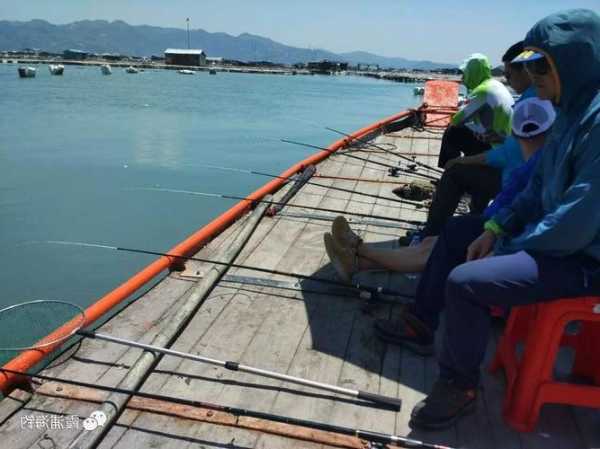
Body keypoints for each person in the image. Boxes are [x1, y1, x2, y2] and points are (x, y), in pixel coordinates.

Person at [406, 9, 600, 431]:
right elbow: (536, 188)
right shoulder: (570, 112)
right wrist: (497, 226)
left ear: (575, 61)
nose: (531, 73)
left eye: (540, 63)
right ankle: (420, 324)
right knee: (460, 231)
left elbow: (579, 220)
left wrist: (508, 245)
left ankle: (460, 387)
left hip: (586, 260)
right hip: (559, 240)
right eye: (526, 64)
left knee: (467, 282)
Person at [324, 96, 555, 299]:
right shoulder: (540, 162)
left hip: (509, 239)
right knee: (430, 242)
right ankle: (356, 263)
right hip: (497, 226)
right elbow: (513, 200)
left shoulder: (542, 165)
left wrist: (494, 233)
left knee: (435, 249)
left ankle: (359, 251)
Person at [415, 44, 530, 240]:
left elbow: (457, 119)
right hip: (504, 150)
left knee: (453, 143)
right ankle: (476, 212)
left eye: (509, 75)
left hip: (511, 175)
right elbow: (515, 146)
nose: (462, 78)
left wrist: (461, 161)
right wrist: (499, 138)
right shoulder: (502, 88)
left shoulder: (487, 91)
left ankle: (429, 234)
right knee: (469, 153)